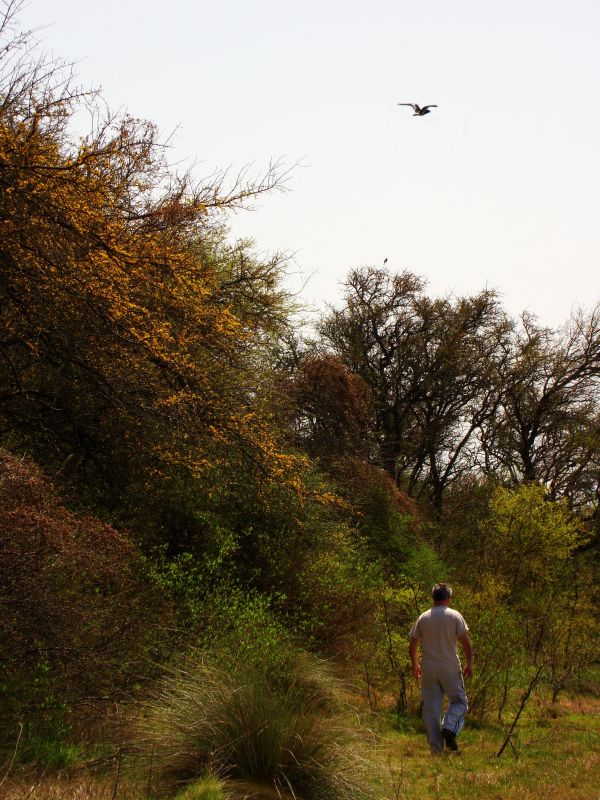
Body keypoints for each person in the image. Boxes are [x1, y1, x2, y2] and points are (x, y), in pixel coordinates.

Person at [409, 583, 473, 754]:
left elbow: (413, 644)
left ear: (433, 598)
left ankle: (436, 749)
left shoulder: (424, 617)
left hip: (429, 668)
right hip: (450, 666)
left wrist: (415, 665)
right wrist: (469, 664)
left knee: (431, 709)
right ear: (449, 598)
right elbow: (465, 643)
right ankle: (450, 728)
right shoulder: (454, 616)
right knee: (459, 701)